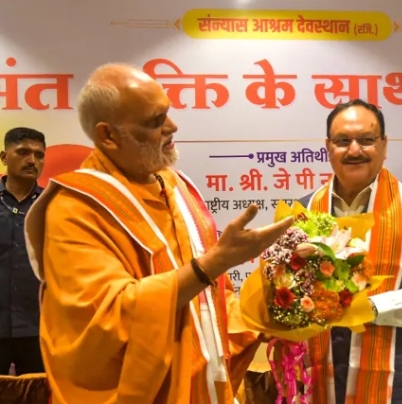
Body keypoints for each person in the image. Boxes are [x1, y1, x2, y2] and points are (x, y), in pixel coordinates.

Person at [23, 64, 293, 404]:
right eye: (155, 121)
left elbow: (210, 300)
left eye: (168, 112)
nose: (172, 126)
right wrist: (215, 262)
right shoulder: (75, 208)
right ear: (108, 136)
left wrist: (261, 319)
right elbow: (109, 317)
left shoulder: (177, 187)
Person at [297, 99, 402, 404]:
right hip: (319, 385)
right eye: (343, 141)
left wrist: (369, 307)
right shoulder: (304, 211)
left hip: (399, 389)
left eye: (366, 139)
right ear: (328, 147)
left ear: (384, 145)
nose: (354, 150)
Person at [0, 127, 46, 376]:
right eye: (23, 152)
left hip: (37, 328)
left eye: (39, 155)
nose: (32, 160)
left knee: (38, 392)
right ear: (4, 157)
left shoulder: (53, 205)